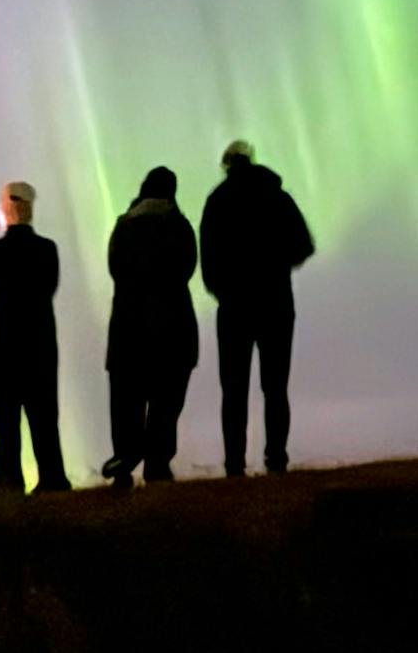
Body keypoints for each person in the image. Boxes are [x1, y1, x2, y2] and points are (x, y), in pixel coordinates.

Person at [199, 139, 315, 476]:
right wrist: (277, 265)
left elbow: (207, 260)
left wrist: (222, 288)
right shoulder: (278, 197)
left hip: (234, 307)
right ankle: (276, 458)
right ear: (252, 161)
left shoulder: (217, 201)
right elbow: (304, 245)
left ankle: (234, 463)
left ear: (226, 165)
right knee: (275, 387)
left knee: (233, 389)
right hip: (276, 301)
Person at [0, 181, 71, 495]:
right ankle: (53, 479)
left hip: (3, 347)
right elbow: (49, 288)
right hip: (40, 343)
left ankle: (9, 483)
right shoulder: (48, 249)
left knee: (6, 422)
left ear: (7, 208)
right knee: (44, 418)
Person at [101, 167, 201, 485]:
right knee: (166, 401)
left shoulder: (123, 226)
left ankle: (125, 460)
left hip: (127, 329)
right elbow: (187, 268)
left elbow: (115, 269)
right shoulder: (180, 226)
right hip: (173, 329)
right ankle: (158, 463)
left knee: (126, 400)